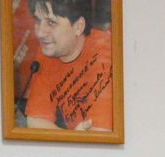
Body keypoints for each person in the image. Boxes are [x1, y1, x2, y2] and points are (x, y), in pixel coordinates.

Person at [21, 0, 115, 134]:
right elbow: (36, 120)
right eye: (37, 20)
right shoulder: (49, 51)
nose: (40, 33)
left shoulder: (107, 52)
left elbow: (101, 134)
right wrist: (71, 137)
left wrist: (71, 139)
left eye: (51, 22)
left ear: (78, 26)